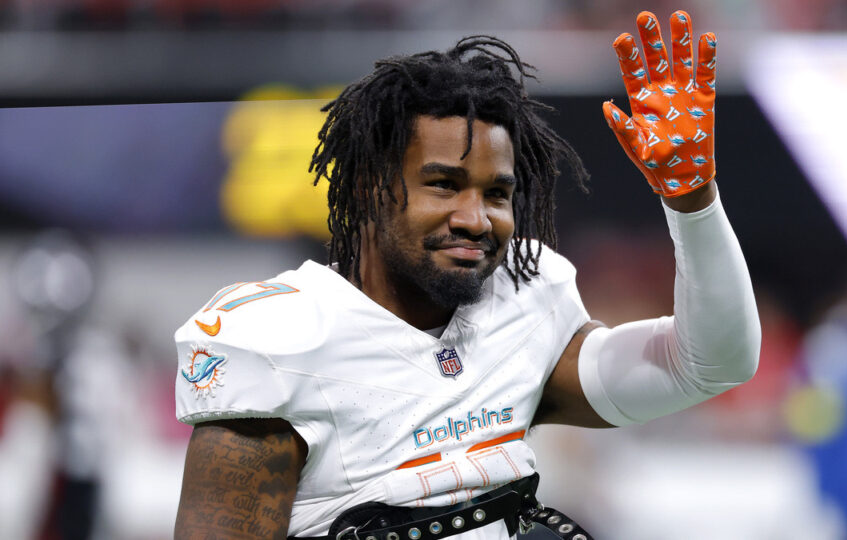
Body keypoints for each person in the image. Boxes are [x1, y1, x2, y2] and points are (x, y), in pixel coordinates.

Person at [173, 10, 761, 539]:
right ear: (367, 188)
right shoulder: (279, 340)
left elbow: (711, 362)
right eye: (443, 185)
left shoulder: (525, 303)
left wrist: (693, 201)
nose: (475, 219)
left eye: (497, 193)